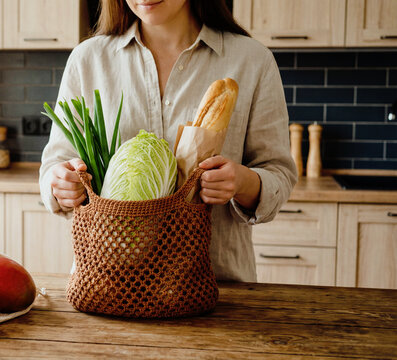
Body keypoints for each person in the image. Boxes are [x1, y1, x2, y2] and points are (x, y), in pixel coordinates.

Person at [39, 0, 297, 282]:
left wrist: (243, 182)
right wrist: (59, 183)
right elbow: (54, 165)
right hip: (108, 285)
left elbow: (278, 173)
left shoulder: (251, 60)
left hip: (217, 290)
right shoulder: (88, 60)